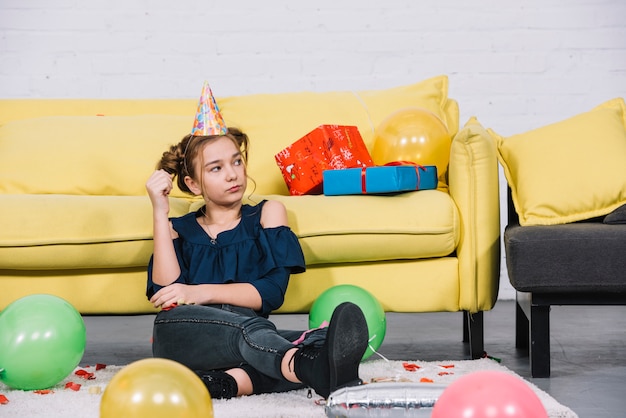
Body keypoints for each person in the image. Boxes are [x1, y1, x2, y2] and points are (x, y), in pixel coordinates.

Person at [144, 126, 369, 400]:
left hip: (249, 337)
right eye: (216, 168)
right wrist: (159, 210)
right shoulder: (176, 228)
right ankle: (302, 367)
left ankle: (225, 383)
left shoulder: (267, 214)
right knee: (258, 337)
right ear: (193, 184)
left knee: (320, 339)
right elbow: (166, 293)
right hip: (186, 336)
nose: (232, 174)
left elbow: (272, 292)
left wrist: (198, 292)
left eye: (237, 161)